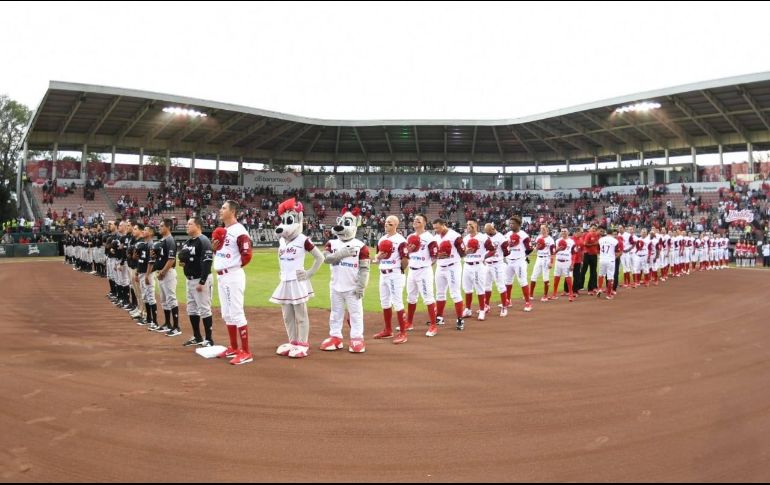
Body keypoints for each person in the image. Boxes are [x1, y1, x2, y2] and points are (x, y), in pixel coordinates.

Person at [213, 200, 253, 365]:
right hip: (222, 276)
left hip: (233, 275)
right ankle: (234, 347)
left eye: (223, 208)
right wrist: (215, 249)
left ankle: (246, 352)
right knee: (227, 313)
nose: (220, 210)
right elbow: (222, 252)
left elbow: (247, 254)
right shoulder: (223, 230)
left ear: (233, 211)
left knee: (236, 312)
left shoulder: (239, 230)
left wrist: (234, 267)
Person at [180, 217, 215, 347]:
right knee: (191, 309)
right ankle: (197, 336)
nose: (187, 226)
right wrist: (183, 262)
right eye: (187, 224)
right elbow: (185, 260)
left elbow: (207, 261)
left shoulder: (203, 240)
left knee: (204, 309)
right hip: (189, 280)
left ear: (198, 226)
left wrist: (202, 281)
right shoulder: (188, 242)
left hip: (200, 280)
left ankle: (209, 339)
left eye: (190, 224)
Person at [373, 215, 409, 342]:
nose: (386, 224)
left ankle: (403, 333)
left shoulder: (400, 240)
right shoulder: (381, 239)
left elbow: (405, 260)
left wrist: (399, 270)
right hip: (383, 273)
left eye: (390, 223)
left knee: (397, 303)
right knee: (384, 302)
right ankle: (388, 330)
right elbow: (377, 258)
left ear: (395, 225)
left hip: (395, 273)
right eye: (386, 222)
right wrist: (378, 258)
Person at [405, 214, 439, 338]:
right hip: (412, 270)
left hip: (424, 270)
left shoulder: (429, 238)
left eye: (418, 220)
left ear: (424, 223)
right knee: (411, 297)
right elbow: (406, 254)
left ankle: (433, 326)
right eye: (414, 220)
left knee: (428, 298)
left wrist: (427, 266)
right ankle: (409, 323)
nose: (415, 221)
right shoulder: (410, 236)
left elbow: (435, 256)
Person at [432, 218, 466, 331]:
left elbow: (462, 253)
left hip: (453, 267)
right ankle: (439, 317)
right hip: (440, 267)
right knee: (440, 293)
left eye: (437, 227)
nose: (435, 230)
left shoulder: (455, 236)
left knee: (455, 293)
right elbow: (434, 254)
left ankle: (460, 319)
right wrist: (438, 256)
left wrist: (449, 254)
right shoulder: (436, 237)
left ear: (444, 225)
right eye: (434, 228)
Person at [156, 219, 180, 337]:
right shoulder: (162, 240)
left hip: (168, 273)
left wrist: (163, 272)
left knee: (171, 298)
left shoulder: (170, 240)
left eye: (161, 226)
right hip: (162, 273)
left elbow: (171, 259)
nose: (159, 228)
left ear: (168, 227)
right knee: (164, 300)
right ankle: (167, 323)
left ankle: (176, 327)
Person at [461, 220, 489, 321]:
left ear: (476, 225)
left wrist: (483, 257)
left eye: (470, 224)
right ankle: (468, 309)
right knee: (467, 289)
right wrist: (465, 252)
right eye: (467, 225)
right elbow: (462, 252)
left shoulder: (483, 237)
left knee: (480, 289)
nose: (468, 226)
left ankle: (482, 310)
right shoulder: (465, 238)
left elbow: (492, 249)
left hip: (478, 265)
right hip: (467, 265)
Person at [596, 227, 622, 299]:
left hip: (602, 259)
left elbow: (598, 250)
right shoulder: (615, 241)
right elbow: (617, 251)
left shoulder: (600, 239)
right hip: (610, 260)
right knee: (610, 277)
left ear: (606, 233)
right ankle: (608, 294)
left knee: (601, 275)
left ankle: (599, 288)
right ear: (611, 233)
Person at [581, 224, 600, 294]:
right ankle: (579, 286)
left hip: (594, 255)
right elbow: (585, 244)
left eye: (595, 228)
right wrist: (594, 244)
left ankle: (591, 288)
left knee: (593, 272)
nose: (594, 229)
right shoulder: (588, 235)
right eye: (593, 228)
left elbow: (598, 245)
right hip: (587, 254)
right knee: (583, 271)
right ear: (590, 228)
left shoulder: (597, 236)